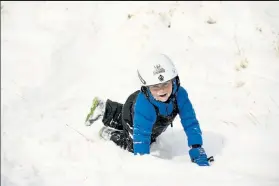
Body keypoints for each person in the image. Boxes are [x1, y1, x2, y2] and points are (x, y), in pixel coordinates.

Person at [84, 52, 211, 166]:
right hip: (134, 111)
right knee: (132, 140)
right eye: (155, 86)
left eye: (166, 83)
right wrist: (144, 165)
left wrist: (196, 147)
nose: (161, 90)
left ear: (174, 81)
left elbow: (190, 121)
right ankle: (108, 133)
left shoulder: (180, 95)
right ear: (146, 87)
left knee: (130, 119)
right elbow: (141, 138)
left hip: (138, 108)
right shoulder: (145, 106)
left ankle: (105, 109)